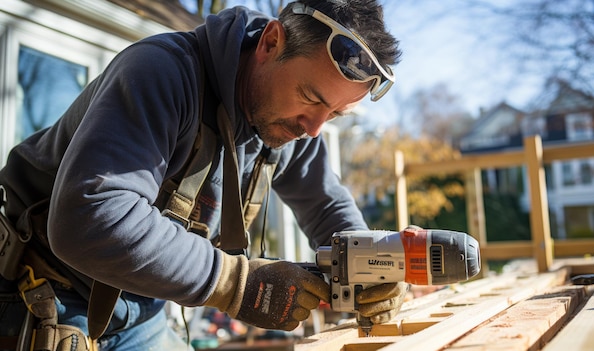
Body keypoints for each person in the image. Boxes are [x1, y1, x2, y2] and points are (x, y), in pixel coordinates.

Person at [0, 0, 404, 350]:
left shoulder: (293, 122)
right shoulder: (162, 72)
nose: (314, 128)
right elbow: (89, 217)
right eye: (311, 98)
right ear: (270, 42)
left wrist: (370, 266)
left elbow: (327, 205)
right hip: (41, 288)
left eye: (334, 114)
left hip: (142, 306)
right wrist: (234, 282)